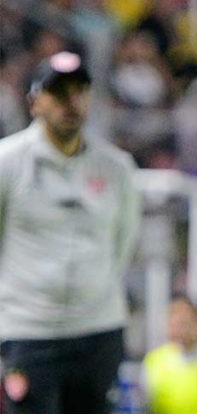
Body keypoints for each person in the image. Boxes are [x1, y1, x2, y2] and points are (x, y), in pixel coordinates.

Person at [0, 51, 141, 413]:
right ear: (34, 102)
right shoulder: (7, 163)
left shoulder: (117, 168)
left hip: (99, 329)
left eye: (79, 91)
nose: (71, 102)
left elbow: (124, 242)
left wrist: (96, 292)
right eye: (59, 92)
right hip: (29, 332)